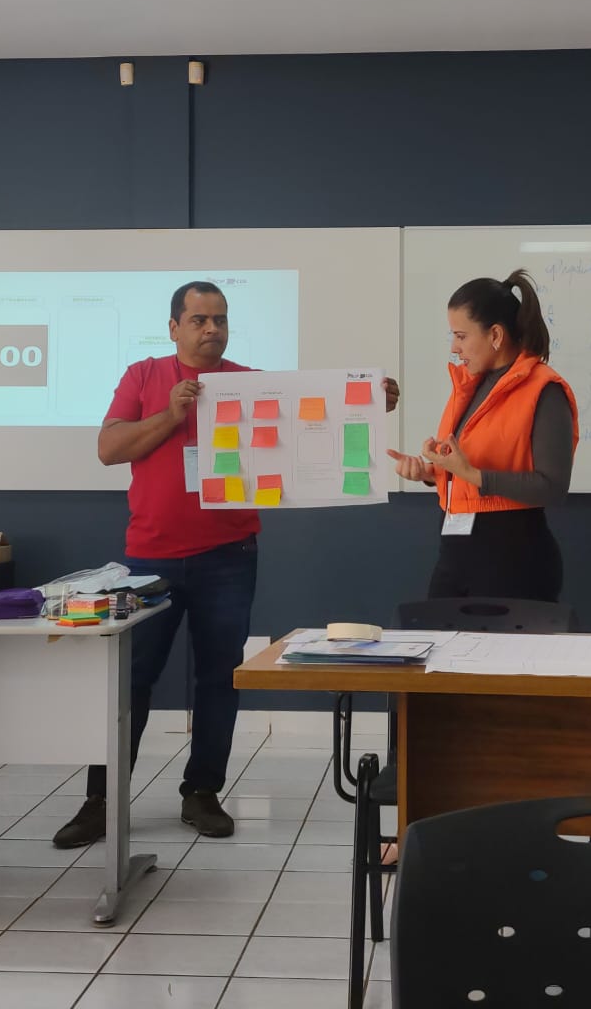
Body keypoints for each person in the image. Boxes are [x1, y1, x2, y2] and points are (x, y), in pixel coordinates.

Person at [54, 280, 400, 847]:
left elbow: (314, 422)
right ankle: (102, 801)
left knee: (220, 677)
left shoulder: (246, 384)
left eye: (220, 319)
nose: (211, 329)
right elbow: (109, 449)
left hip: (228, 557)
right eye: (199, 320)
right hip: (150, 557)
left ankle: (202, 791)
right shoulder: (143, 375)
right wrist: (171, 414)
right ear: (174, 328)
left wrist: (369, 402)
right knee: (129, 680)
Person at [388, 269, 578, 602]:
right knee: (432, 634)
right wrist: (431, 472)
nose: (454, 347)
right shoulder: (472, 384)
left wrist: (471, 474)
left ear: (495, 335)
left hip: (514, 559)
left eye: (461, 336)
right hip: (456, 553)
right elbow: (465, 468)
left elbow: (552, 486)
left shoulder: (545, 391)